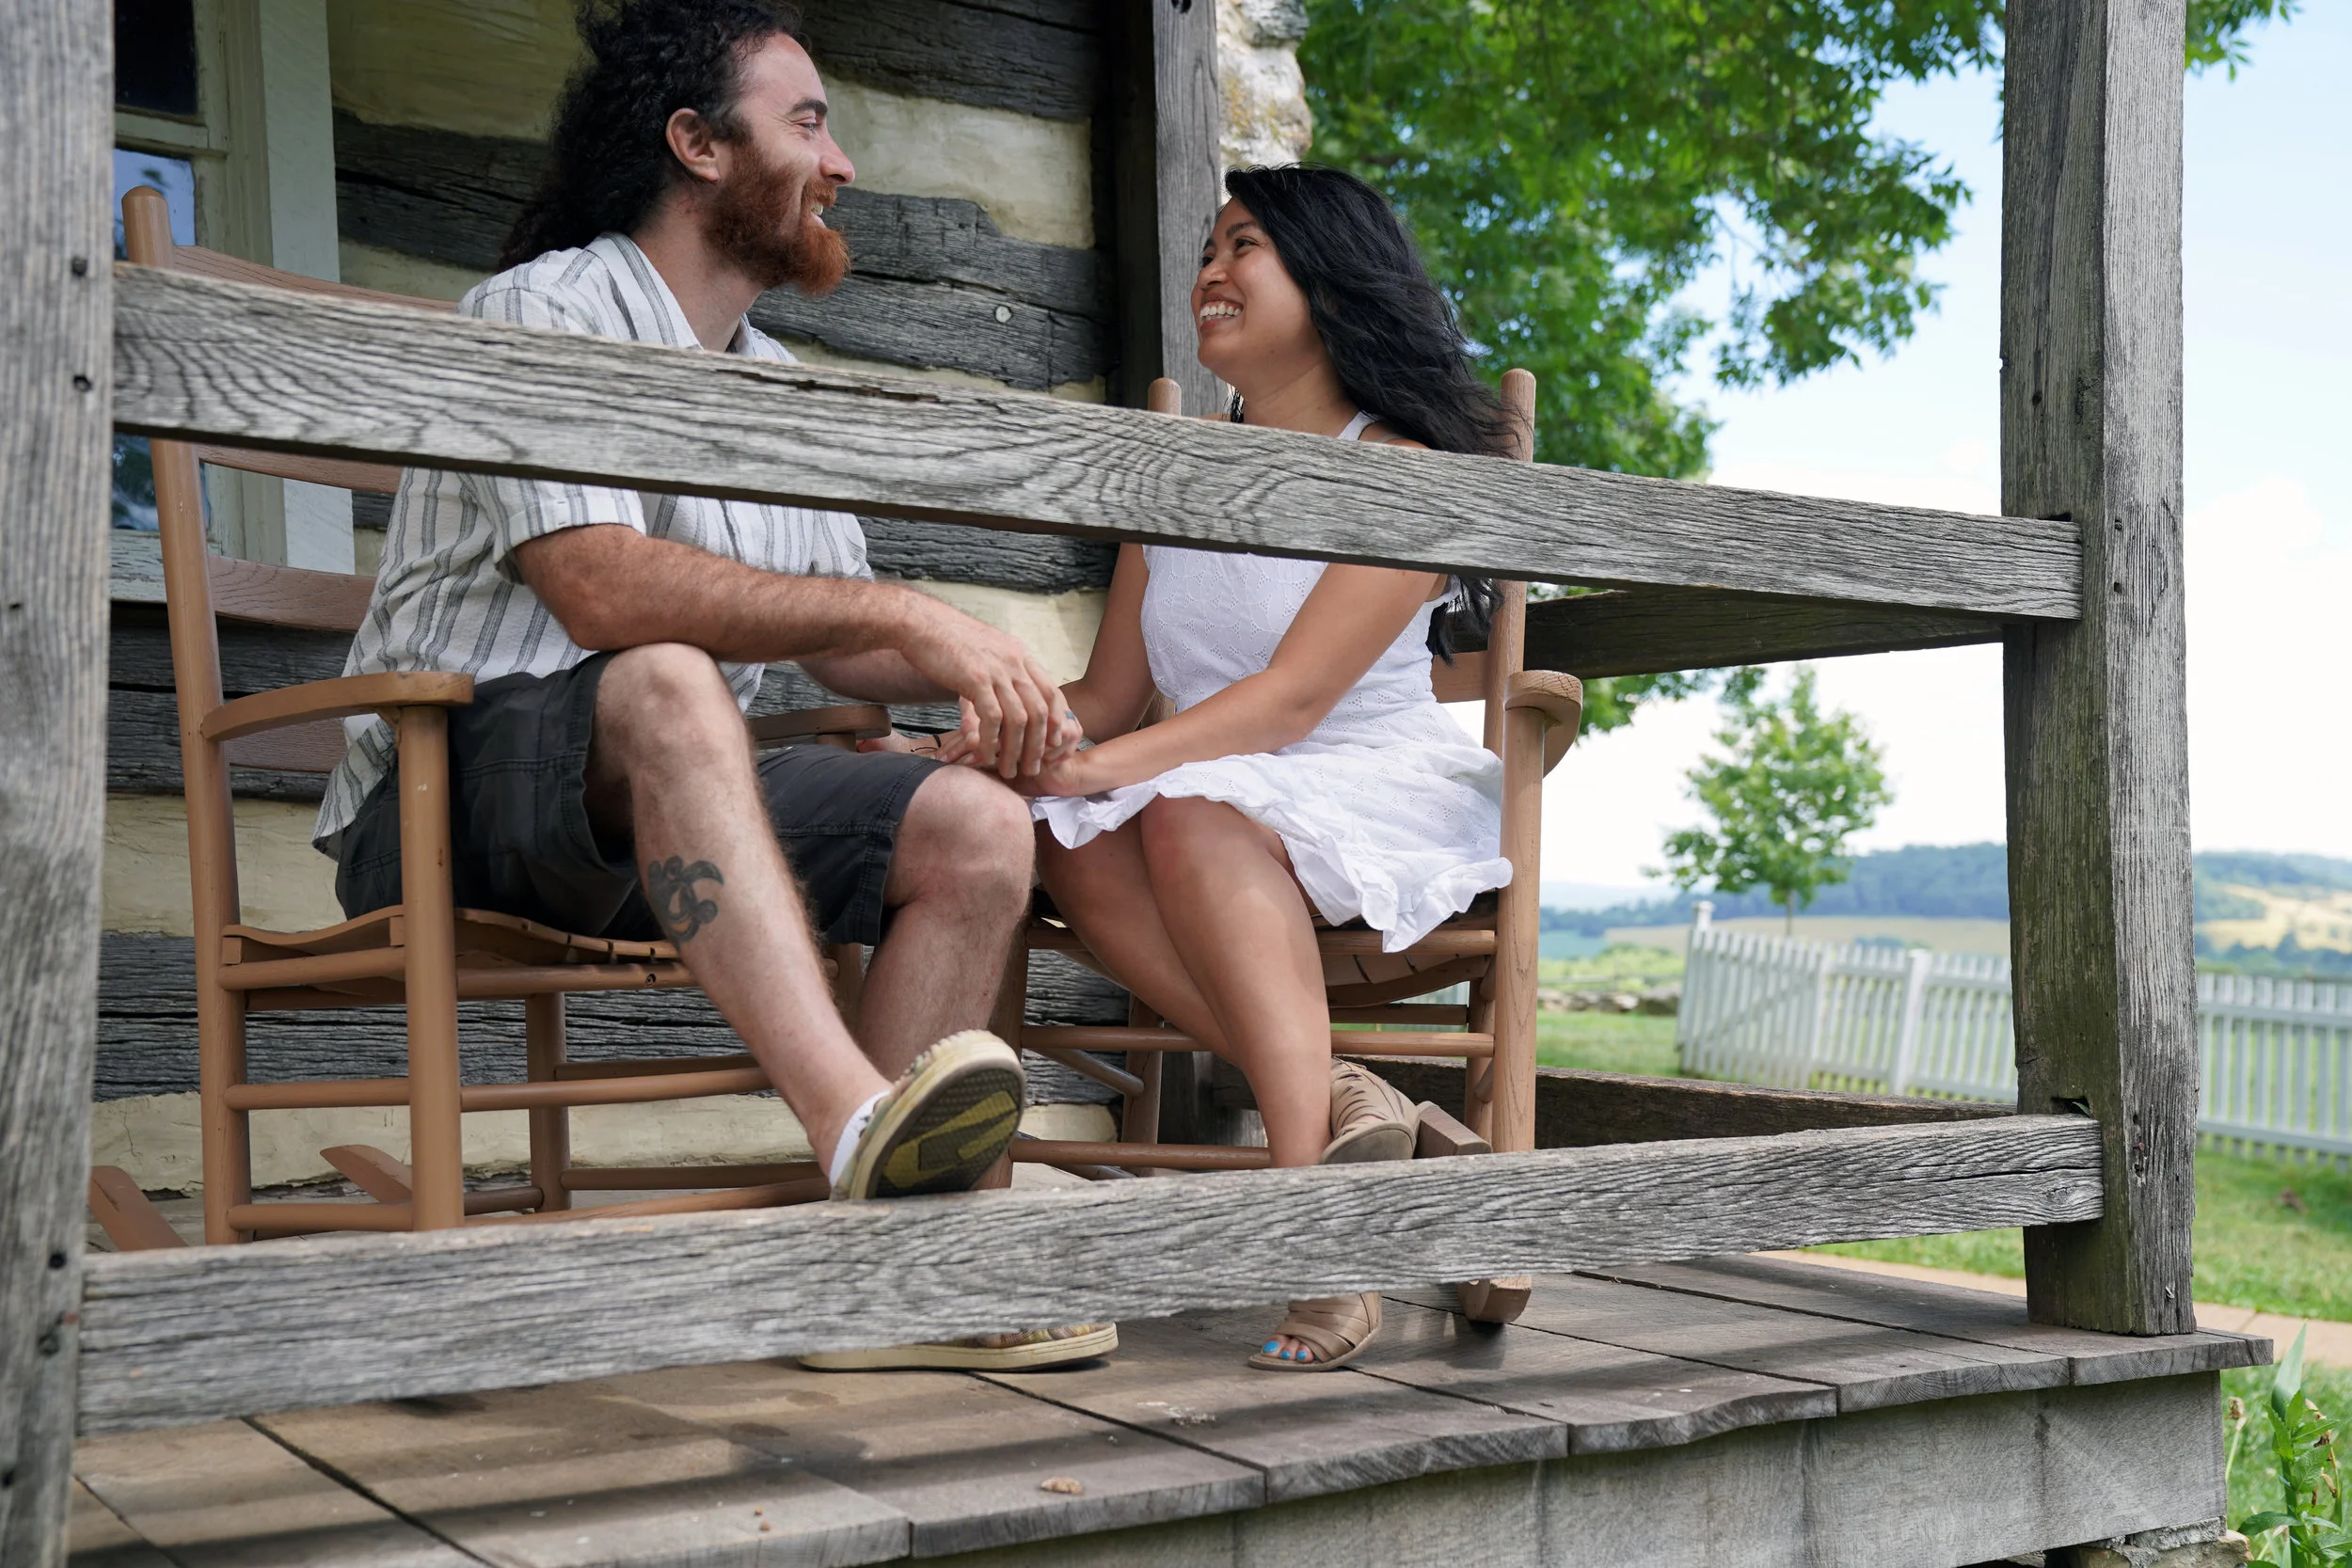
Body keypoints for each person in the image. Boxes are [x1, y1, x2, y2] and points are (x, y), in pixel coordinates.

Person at [314, 1, 1082, 1248]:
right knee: (669, 677)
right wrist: (906, 610)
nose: (841, 164)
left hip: (666, 790)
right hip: (441, 795)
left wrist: (993, 674)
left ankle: (896, 1269)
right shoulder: (541, 310)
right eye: (808, 125)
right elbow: (598, 589)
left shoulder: (771, 383)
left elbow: (840, 639)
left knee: (977, 826)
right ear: (699, 144)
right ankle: (856, 1130)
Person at [959, 165, 1521, 1370]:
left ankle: (1318, 1244)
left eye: (1244, 246)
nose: (1210, 272)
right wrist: (995, 730)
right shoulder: (1173, 478)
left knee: (1182, 810)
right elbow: (1106, 695)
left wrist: (1102, 765)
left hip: (1367, 775)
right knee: (1063, 829)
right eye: (1207, 249)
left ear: (1328, 278)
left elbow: (1293, 698)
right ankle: (1346, 1095)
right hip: (1216, 782)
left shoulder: (1402, 469)